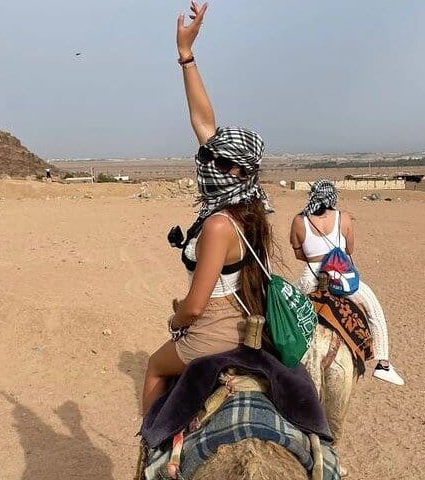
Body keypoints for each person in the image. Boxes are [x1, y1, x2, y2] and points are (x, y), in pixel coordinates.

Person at [142, 1, 274, 414]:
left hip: (215, 331)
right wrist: (187, 55)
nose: (203, 160)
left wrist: (176, 320)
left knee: (154, 368)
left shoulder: (219, 224)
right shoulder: (248, 200)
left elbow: (196, 306)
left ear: (229, 168)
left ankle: (151, 445)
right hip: (248, 319)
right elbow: (203, 122)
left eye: (210, 157)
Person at [289, 179, 405, 385]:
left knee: (282, 304)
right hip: (341, 278)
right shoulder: (343, 218)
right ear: (333, 197)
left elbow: (299, 254)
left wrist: (316, 254)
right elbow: (350, 250)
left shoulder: (299, 220)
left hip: (310, 278)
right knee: (374, 310)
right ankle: (383, 364)